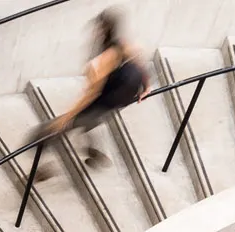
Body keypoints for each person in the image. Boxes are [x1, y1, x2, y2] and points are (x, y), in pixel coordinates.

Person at [36, 8, 150, 173]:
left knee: (59, 128)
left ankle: (42, 167)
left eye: (98, 27)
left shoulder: (101, 61)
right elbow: (138, 60)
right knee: (85, 123)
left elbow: (91, 94)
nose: (95, 31)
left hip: (104, 100)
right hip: (115, 98)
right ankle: (94, 154)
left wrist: (66, 117)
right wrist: (147, 87)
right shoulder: (122, 44)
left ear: (103, 29)